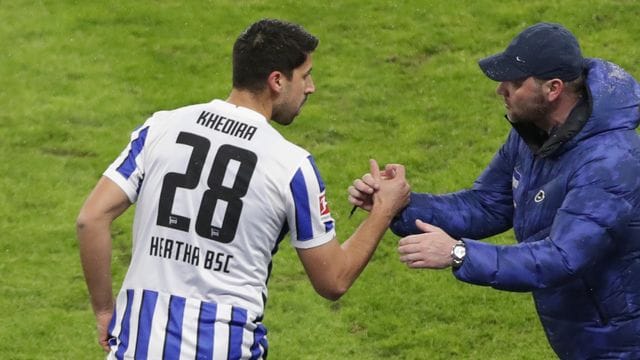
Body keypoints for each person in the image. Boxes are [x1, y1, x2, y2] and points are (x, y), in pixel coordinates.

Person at [76, 19, 410, 359]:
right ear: (277, 81)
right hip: (226, 348)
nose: (311, 88)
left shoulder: (160, 128)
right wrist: (384, 208)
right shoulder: (291, 165)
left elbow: (91, 219)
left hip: (138, 345)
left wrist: (105, 311)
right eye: (306, 75)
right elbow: (333, 279)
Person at [348, 22, 640, 359]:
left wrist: (459, 253)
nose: (500, 90)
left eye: (514, 83)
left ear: (553, 89)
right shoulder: (534, 133)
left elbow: (562, 257)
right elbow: (486, 205)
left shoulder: (610, 162)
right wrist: (397, 204)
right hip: (589, 336)